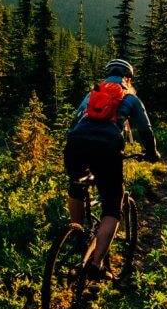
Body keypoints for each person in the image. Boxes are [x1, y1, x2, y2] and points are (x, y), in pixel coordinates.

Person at [65, 58, 161, 280]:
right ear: (128, 78)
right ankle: (95, 265)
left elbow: (74, 122)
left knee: (76, 185)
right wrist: (152, 153)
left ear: (107, 74)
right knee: (112, 207)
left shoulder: (92, 93)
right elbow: (146, 130)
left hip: (75, 144)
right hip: (107, 148)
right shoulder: (130, 97)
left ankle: (77, 234)